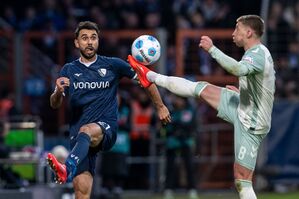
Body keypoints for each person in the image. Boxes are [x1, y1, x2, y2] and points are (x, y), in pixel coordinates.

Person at [128, 15, 275, 199]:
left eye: (237, 29)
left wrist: (212, 49)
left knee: (242, 179)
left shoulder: (258, 54)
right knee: (200, 88)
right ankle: (149, 76)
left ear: (248, 32)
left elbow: (237, 69)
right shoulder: (256, 53)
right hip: (241, 104)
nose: (233, 33)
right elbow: (262, 85)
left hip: (252, 123)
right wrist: (242, 93)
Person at [46, 21, 171, 199]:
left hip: (105, 128)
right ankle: (70, 168)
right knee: (81, 194)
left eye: (93, 38)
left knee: (87, 130)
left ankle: (67, 168)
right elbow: (55, 104)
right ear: (76, 43)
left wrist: (160, 106)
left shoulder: (113, 65)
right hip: (78, 138)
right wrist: (58, 91)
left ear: (98, 41)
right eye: (84, 38)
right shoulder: (68, 70)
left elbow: (146, 80)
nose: (89, 42)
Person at [163, 95, 198, 199]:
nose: (177, 101)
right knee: (170, 166)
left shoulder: (190, 110)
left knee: (189, 166)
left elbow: (192, 125)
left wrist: (180, 128)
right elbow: (166, 125)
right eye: (176, 98)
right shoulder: (170, 110)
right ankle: (168, 190)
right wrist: (176, 128)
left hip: (186, 142)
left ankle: (192, 190)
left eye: (179, 99)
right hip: (172, 142)